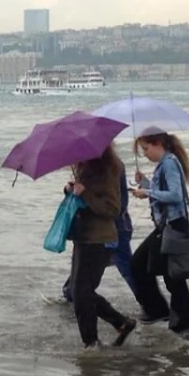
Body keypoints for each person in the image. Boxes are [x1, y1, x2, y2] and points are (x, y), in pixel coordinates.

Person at [63, 145, 138, 349]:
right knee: (79, 291)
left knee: (80, 292)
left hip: (98, 239)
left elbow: (113, 209)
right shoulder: (85, 168)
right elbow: (82, 202)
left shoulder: (107, 169)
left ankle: (92, 343)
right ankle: (119, 323)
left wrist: (85, 193)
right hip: (83, 236)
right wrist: (71, 190)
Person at [128, 130, 189, 338]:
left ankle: (171, 318)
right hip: (168, 225)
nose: (145, 155)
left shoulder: (168, 163)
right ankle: (172, 318)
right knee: (163, 272)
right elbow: (166, 191)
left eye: (146, 149)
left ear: (158, 144)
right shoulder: (166, 163)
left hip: (173, 225)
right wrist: (146, 183)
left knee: (153, 269)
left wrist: (148, 192)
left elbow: (175, 195)